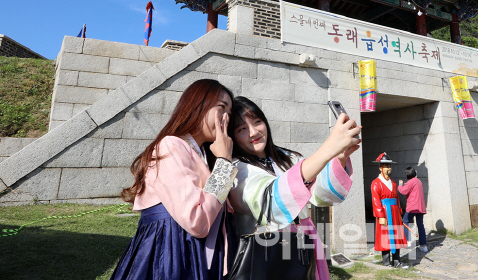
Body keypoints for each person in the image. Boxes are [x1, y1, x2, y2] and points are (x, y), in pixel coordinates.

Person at [111, 79, 238, 280]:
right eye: (221, 108)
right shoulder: (171, 145)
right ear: (198, 105)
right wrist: (224, 164)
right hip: (172, 252)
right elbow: (197, 220)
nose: (226, 118)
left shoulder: (202, 156)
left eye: (229, 113)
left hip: (192, 250)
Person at [227, 96, 360, 280]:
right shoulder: (236, 168)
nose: (253, 132)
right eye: (242, 129)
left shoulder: (287, 157)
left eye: (257, 122)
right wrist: (328, 148)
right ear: (232, 136)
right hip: (265, 249)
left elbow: (320, 196)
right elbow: (271, 200)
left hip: (302, 238)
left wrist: (340, 157)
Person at [371, 153, 409, 268]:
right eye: (386, 166)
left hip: (395, 212)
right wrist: (380, 216)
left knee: (396, 235)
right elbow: (376, 200)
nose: (389, 168)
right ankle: (386, 262)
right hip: (385, 212)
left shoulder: (393, 182)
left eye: (389, 166)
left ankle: (397, 261)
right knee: (385, 236)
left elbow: (397, 198)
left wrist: (400, 212)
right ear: (380, 168)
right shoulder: (376, 183)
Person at [398, 166, 427, 253]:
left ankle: (407, 242)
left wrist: (400, 185)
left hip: (412, 207)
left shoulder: (411, 182)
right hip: (420, 207)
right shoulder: (418, 181)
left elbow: (403, 191)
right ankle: (423, 245)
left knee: (405, 221)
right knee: (420, 225)